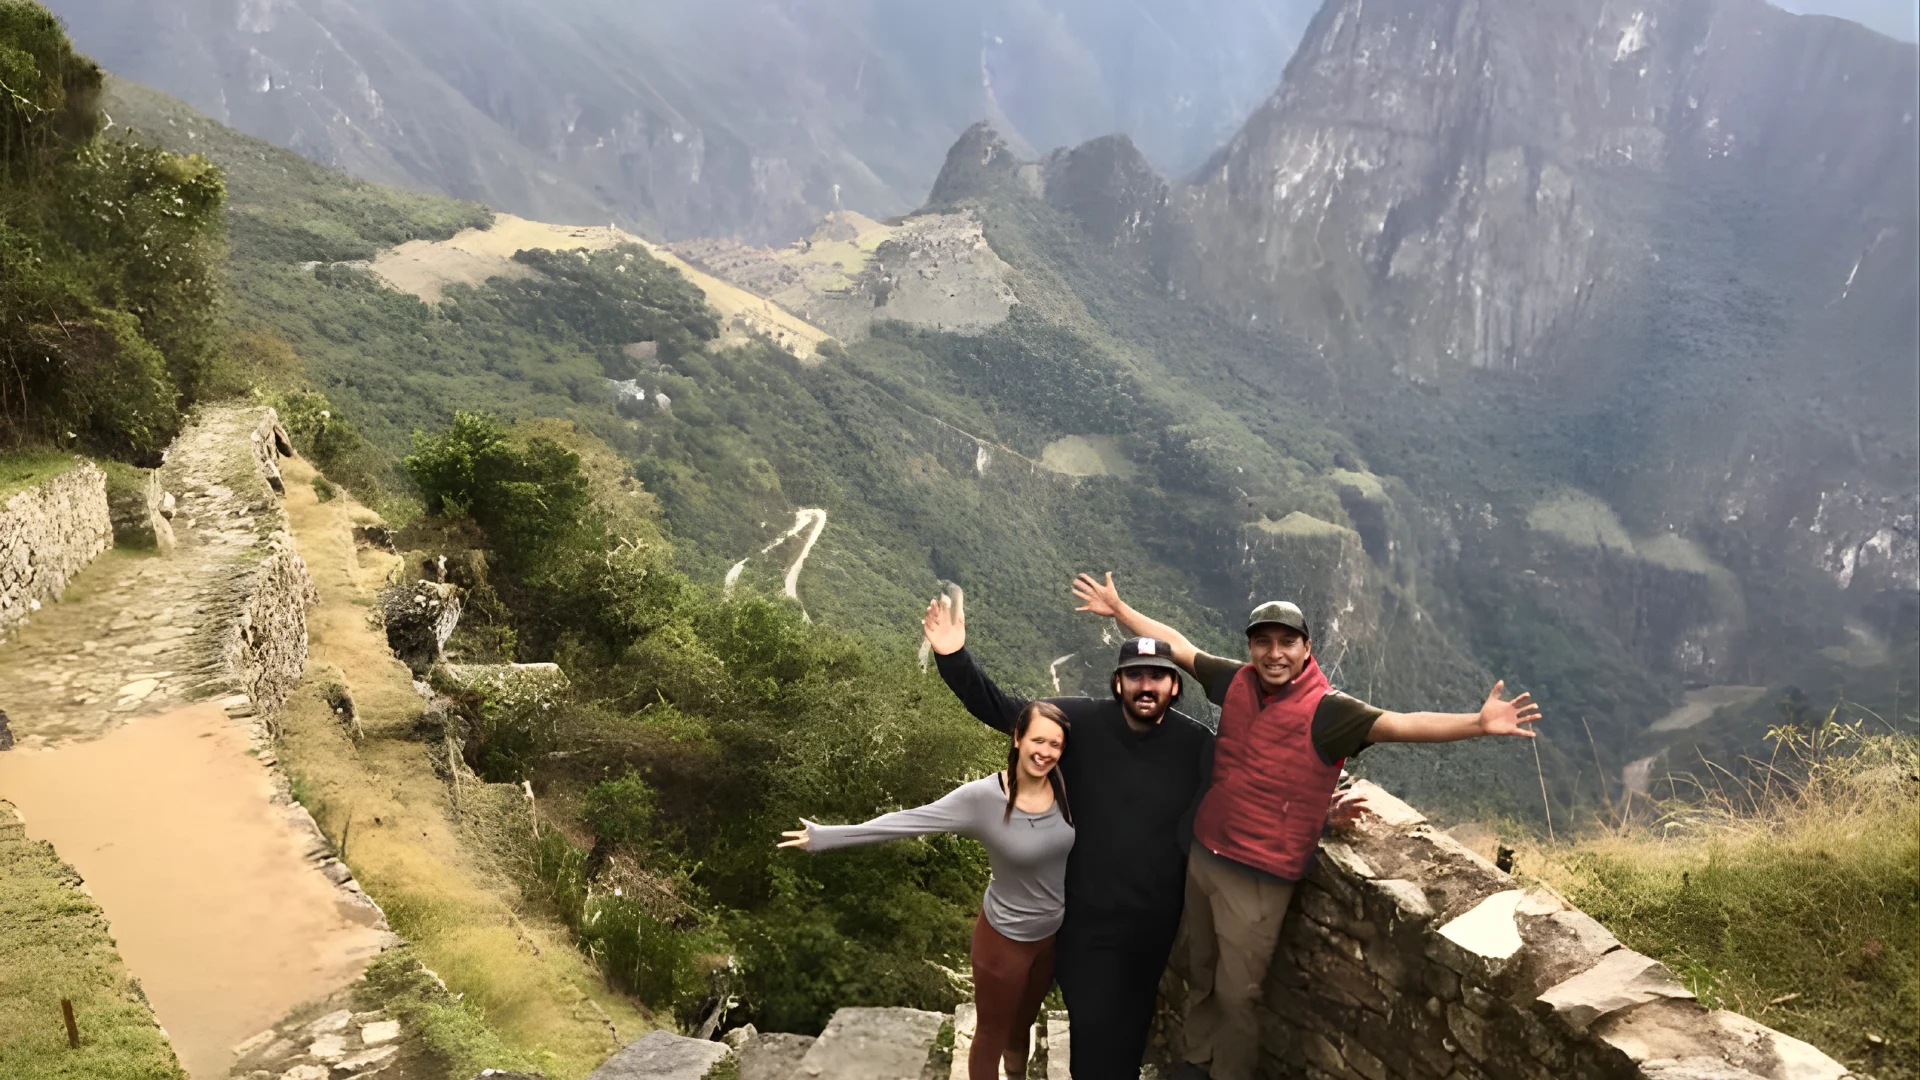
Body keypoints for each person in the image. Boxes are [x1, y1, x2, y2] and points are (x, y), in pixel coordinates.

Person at [1070, 572, 1544, 1080]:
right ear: (1251, 647)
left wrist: (1477, 724)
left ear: (1306, 648)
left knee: (1238, 994)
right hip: (1205, 857)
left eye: (1286, 643)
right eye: (1263, 642)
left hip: (1258, 876)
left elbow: (1402, 723)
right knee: (1201, 971)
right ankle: (1194, 1059)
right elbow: (1180, 647)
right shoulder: (1234, 682)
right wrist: (1120, 610)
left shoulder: (1329, 711)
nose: (1274, 653)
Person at [923, 593, 1213, 1080]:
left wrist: (1323, 799)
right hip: (1084, 922)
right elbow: (1001, 710)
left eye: (1157, 676)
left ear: (1174, 686)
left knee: (1130, 1035)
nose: (1146, 686)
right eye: (1135, 675)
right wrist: (953, 658)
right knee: (1095, 1034)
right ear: (1118, 683)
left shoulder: (1198, 745)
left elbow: (1251, 777)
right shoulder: (1079, 723)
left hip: (1153, 926)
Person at [779, 700, 1075, 1080]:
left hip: (1049, 940)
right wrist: (825, 837)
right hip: (1004, 944)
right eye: (1038, 740)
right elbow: (908, 821)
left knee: (1021, 1029)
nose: (1046, 752)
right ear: (1017, 738)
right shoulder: (983, 799)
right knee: (991, 1034)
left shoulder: (1064, 785)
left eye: (1056, 745)